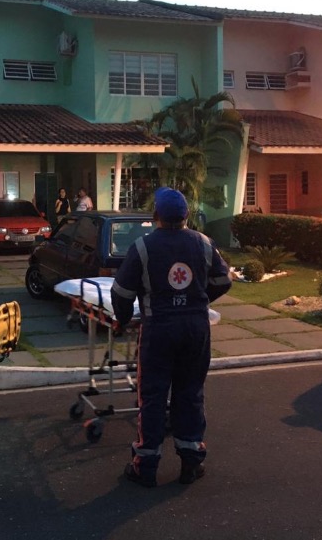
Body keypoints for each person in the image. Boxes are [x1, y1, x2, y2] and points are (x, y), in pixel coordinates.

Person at [111, 187, 232, 488]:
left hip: (159, 329)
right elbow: (223, 280)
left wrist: (122, 319)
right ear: (187, 215)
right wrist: (199, 300)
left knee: (152, 396)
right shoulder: (203, 243)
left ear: (156, 216)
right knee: (190, 392)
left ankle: (146, 466)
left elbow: (121, 292)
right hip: (195, 329)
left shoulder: (143, 247)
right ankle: (191, 463)